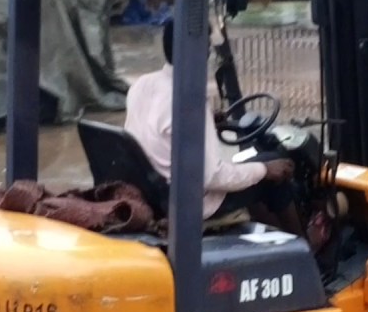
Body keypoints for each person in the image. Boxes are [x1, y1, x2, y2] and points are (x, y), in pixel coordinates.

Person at [125, 20, 309, 238]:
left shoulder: (142, 85)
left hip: (157, 189)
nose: (209, 54)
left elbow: (162, 127)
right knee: (275, 169)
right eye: (207, 49)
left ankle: (271, 239)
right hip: (192, 201)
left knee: (252, 172)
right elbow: (212, 176)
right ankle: (306, 250)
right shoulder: (189, 101)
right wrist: (266, 169)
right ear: (198, 52)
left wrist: (207, 121)